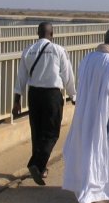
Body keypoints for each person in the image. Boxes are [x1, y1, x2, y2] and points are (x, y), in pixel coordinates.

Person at [62, 28, 109, 203]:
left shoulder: (88, 59)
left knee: (89, 149)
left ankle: (88, 185)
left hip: (87, 113)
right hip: (106, 115)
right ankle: (102, 189)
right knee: (107, 150)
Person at [13, 22, 76, 186]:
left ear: (38, 33)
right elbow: (67, 74)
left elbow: (21, 77)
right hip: (52, 95)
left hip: (33, 94)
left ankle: (40, 168)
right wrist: (73, 95)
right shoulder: (58, 50)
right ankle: (36, 164)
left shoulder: (28, 50)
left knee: (37, 131)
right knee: (51, 133)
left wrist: (17, 100)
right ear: (52, 34)